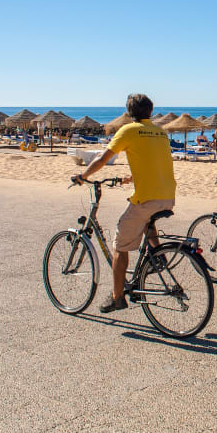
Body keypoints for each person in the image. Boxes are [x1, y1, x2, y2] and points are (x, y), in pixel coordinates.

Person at [71, 94, 176, 312]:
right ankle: (158, 257)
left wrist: (83, 175)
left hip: (147, 197)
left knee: (120, 245)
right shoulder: (161, 133)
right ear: (150, 111)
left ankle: (117, 297)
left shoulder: (128, 131)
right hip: (167, 196)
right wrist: (131, 178)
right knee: (147, 221)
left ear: (130, 113)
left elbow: (102, 159)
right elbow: (152, 162)